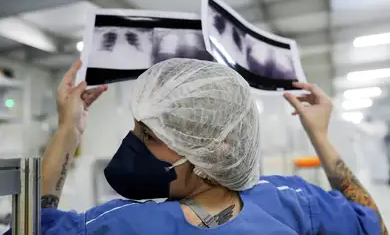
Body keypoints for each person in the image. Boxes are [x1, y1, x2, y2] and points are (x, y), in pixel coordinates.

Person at [4, 58, 386, 234]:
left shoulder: (123, 226)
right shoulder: (292, 200)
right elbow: (372, 222)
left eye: (149, 136)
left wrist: (68, 130)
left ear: (210, 153)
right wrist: (319, 134)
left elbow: (32, 227)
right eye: (137, 130)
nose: (132, 144)